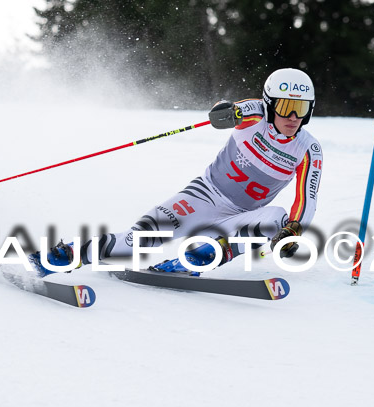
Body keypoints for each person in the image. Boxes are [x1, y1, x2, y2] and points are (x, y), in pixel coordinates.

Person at [29, 68, 323, 276]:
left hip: (241, 216)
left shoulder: (309, 150)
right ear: (271, 105)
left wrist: (293, 230)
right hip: (204, 196)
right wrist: (225, 112)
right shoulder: (256, 112)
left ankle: (195, 259)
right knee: (140, 239)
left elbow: (307, 198)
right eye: (285, 107)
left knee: (277, 218)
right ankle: (64, 256)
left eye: (301, 108)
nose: (293, 117)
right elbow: (236, 110)